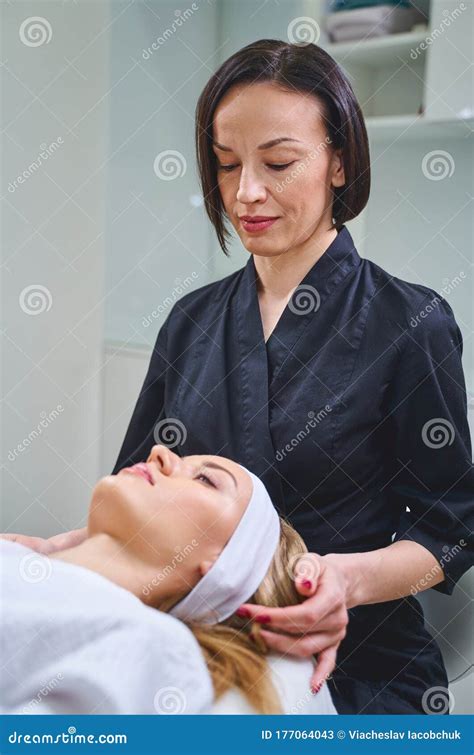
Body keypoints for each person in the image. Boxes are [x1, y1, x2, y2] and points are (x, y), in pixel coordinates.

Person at [5, 38, 473, 714]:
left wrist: (347, 579)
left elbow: (450, 526)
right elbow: (141, 485)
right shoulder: (192, 321)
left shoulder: (411, 322)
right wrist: (58, 552)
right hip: (197, 643)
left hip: (356, 669)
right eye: (227, 165)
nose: (246, 192)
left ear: (339, 163)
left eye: (279, 162)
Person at [0, 445, 337, 716]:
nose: (159, 451)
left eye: (205, 479)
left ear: (224, 566)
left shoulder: (149, 647)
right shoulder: (16, 559)